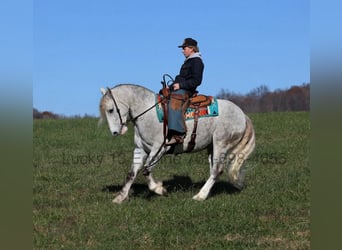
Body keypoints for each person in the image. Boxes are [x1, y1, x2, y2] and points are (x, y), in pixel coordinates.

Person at [165, 38, 205, 145]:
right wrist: (172, 86)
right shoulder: (188, 61)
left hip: (187, 91)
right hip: (181, 88)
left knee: (174, 103)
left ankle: (178, 134)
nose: (182, 50)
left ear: (191, 49)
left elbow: (197, 80)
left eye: (184, 48)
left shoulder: (197, 62)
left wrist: (181, 85)